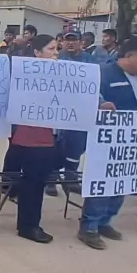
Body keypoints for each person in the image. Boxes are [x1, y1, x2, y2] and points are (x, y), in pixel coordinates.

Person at [78, 38, 137, 250]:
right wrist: (101, 104)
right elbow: (90, 95)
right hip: (108, 141)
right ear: (128, 56)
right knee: (102, 184)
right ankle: (89, 227)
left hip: (133, 141)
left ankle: (105, 222)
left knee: (122, 182)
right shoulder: (104, 73)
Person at [9, 34, 61, 244]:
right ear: (37, 53)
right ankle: (28, 225)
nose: (55, 53)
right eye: (51, 49)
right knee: (33, 182)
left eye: (57, 49)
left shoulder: (62, 74)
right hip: (31, 136)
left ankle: (31, 223)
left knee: (39, 181)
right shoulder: (27, 74)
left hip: (49, 137)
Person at [53, 31, 90, 194]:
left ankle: (70, 177)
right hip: (58, 109)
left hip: (80, 110)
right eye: (67, 40)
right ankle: (52, 177)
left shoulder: (89, 59)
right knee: (56, 144)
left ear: (81, 42)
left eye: (74, 40)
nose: (70, 43)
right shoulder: (57, 57)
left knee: (77, 145)